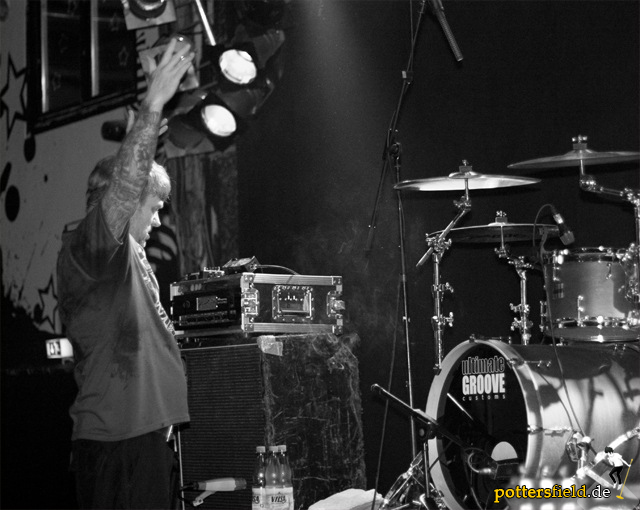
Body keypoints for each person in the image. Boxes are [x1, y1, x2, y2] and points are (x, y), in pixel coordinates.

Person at [57, 38, 195, 509]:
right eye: (153, 208)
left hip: (142, 440)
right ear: (126, 201)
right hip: (117, 446)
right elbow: (127, 181)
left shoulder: (131, 258)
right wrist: (152, 105)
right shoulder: (90, 248)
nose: (157, 220)